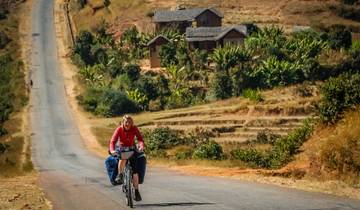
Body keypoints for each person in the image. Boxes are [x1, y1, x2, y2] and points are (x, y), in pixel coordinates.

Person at [109, 115, 145, 202]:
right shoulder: (119, 129)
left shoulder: (134, 128)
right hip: (122, 149)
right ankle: (120, 175)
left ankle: (136, 191)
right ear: (123, 123)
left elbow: (140, 139)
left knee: (135, 171)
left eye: (129, 122)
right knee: (123, 158)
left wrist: (141, 146)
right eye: (126, 122)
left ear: (132, 123)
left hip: (132, 149)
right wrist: (112, 150)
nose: (128, 124)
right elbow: (113, 141)